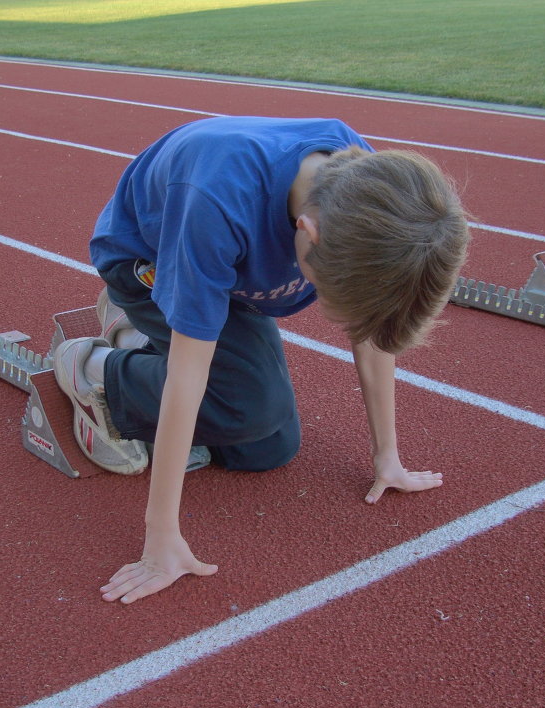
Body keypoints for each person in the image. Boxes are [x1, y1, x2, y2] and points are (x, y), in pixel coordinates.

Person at [52, 116, 469, 604]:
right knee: (249, 406)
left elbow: (374, 329)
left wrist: (387, 456)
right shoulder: (220, 199)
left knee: (269, 447)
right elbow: (189, 378)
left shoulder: (373, 186)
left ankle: (140, 335)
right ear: (308, 235)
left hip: (229, 267)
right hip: (151, 259)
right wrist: (159, 538)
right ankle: (93, 367)